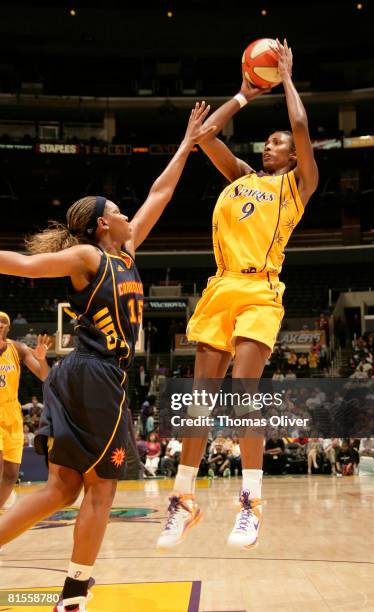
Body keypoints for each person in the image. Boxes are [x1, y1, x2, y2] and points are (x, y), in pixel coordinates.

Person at [0, 102, 214, 612]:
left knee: (61, 488)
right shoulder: (89, 257)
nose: (125, 212)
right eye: (117, 209)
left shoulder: (125, 251)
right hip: (94, 374)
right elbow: (24, 262)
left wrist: (186, 145)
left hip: (76, 377)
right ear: (101, 224)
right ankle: (74, 594)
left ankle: (74, 590)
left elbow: (159, 193)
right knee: (102, 489)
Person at [157, 39, 318, 551]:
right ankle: (183, 500)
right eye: (267, 141)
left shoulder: (296, 186)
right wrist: (246, 93)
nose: (269, 146)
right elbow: (203, 136)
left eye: (277, 143)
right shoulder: (242, 177)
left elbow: (300, 127)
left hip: (260, 289)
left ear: (291, 156)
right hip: (221, 285)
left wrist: (286, 78)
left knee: (244, 393)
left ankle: (251, 502)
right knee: (200, 403)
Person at [0, 311, 50, 509]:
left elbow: (44, 376)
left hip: (12, 413)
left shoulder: (18, 349)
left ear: (8, 328)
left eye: (3, 323)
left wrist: (42, 358)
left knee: (11, 475)